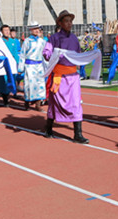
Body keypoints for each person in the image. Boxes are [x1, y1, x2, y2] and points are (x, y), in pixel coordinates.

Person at [43, 10, 88, 144]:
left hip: (73, 76)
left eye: (70, 21)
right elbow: (46, 52)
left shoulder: (74, 38)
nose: (69, 24)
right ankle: (48, 128)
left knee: (76, 103)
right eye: (66, 21)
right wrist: (55, 55)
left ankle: (78, 134)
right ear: (60, 23)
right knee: (55, 102)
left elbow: (78, 55)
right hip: (59, 76)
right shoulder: (54, 38)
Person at [18, 21, 47, 110]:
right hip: (29, 66)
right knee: (29, 85)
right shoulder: (27, 41)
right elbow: (22, 54)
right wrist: (20, 68)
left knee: (40, 84)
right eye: (34, 29)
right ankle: (27, 102)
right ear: (31, 30)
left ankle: (38, 104)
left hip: (39, 66)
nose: (36, 30)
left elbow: (45, 54)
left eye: (37, 28)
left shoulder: (42, 41)